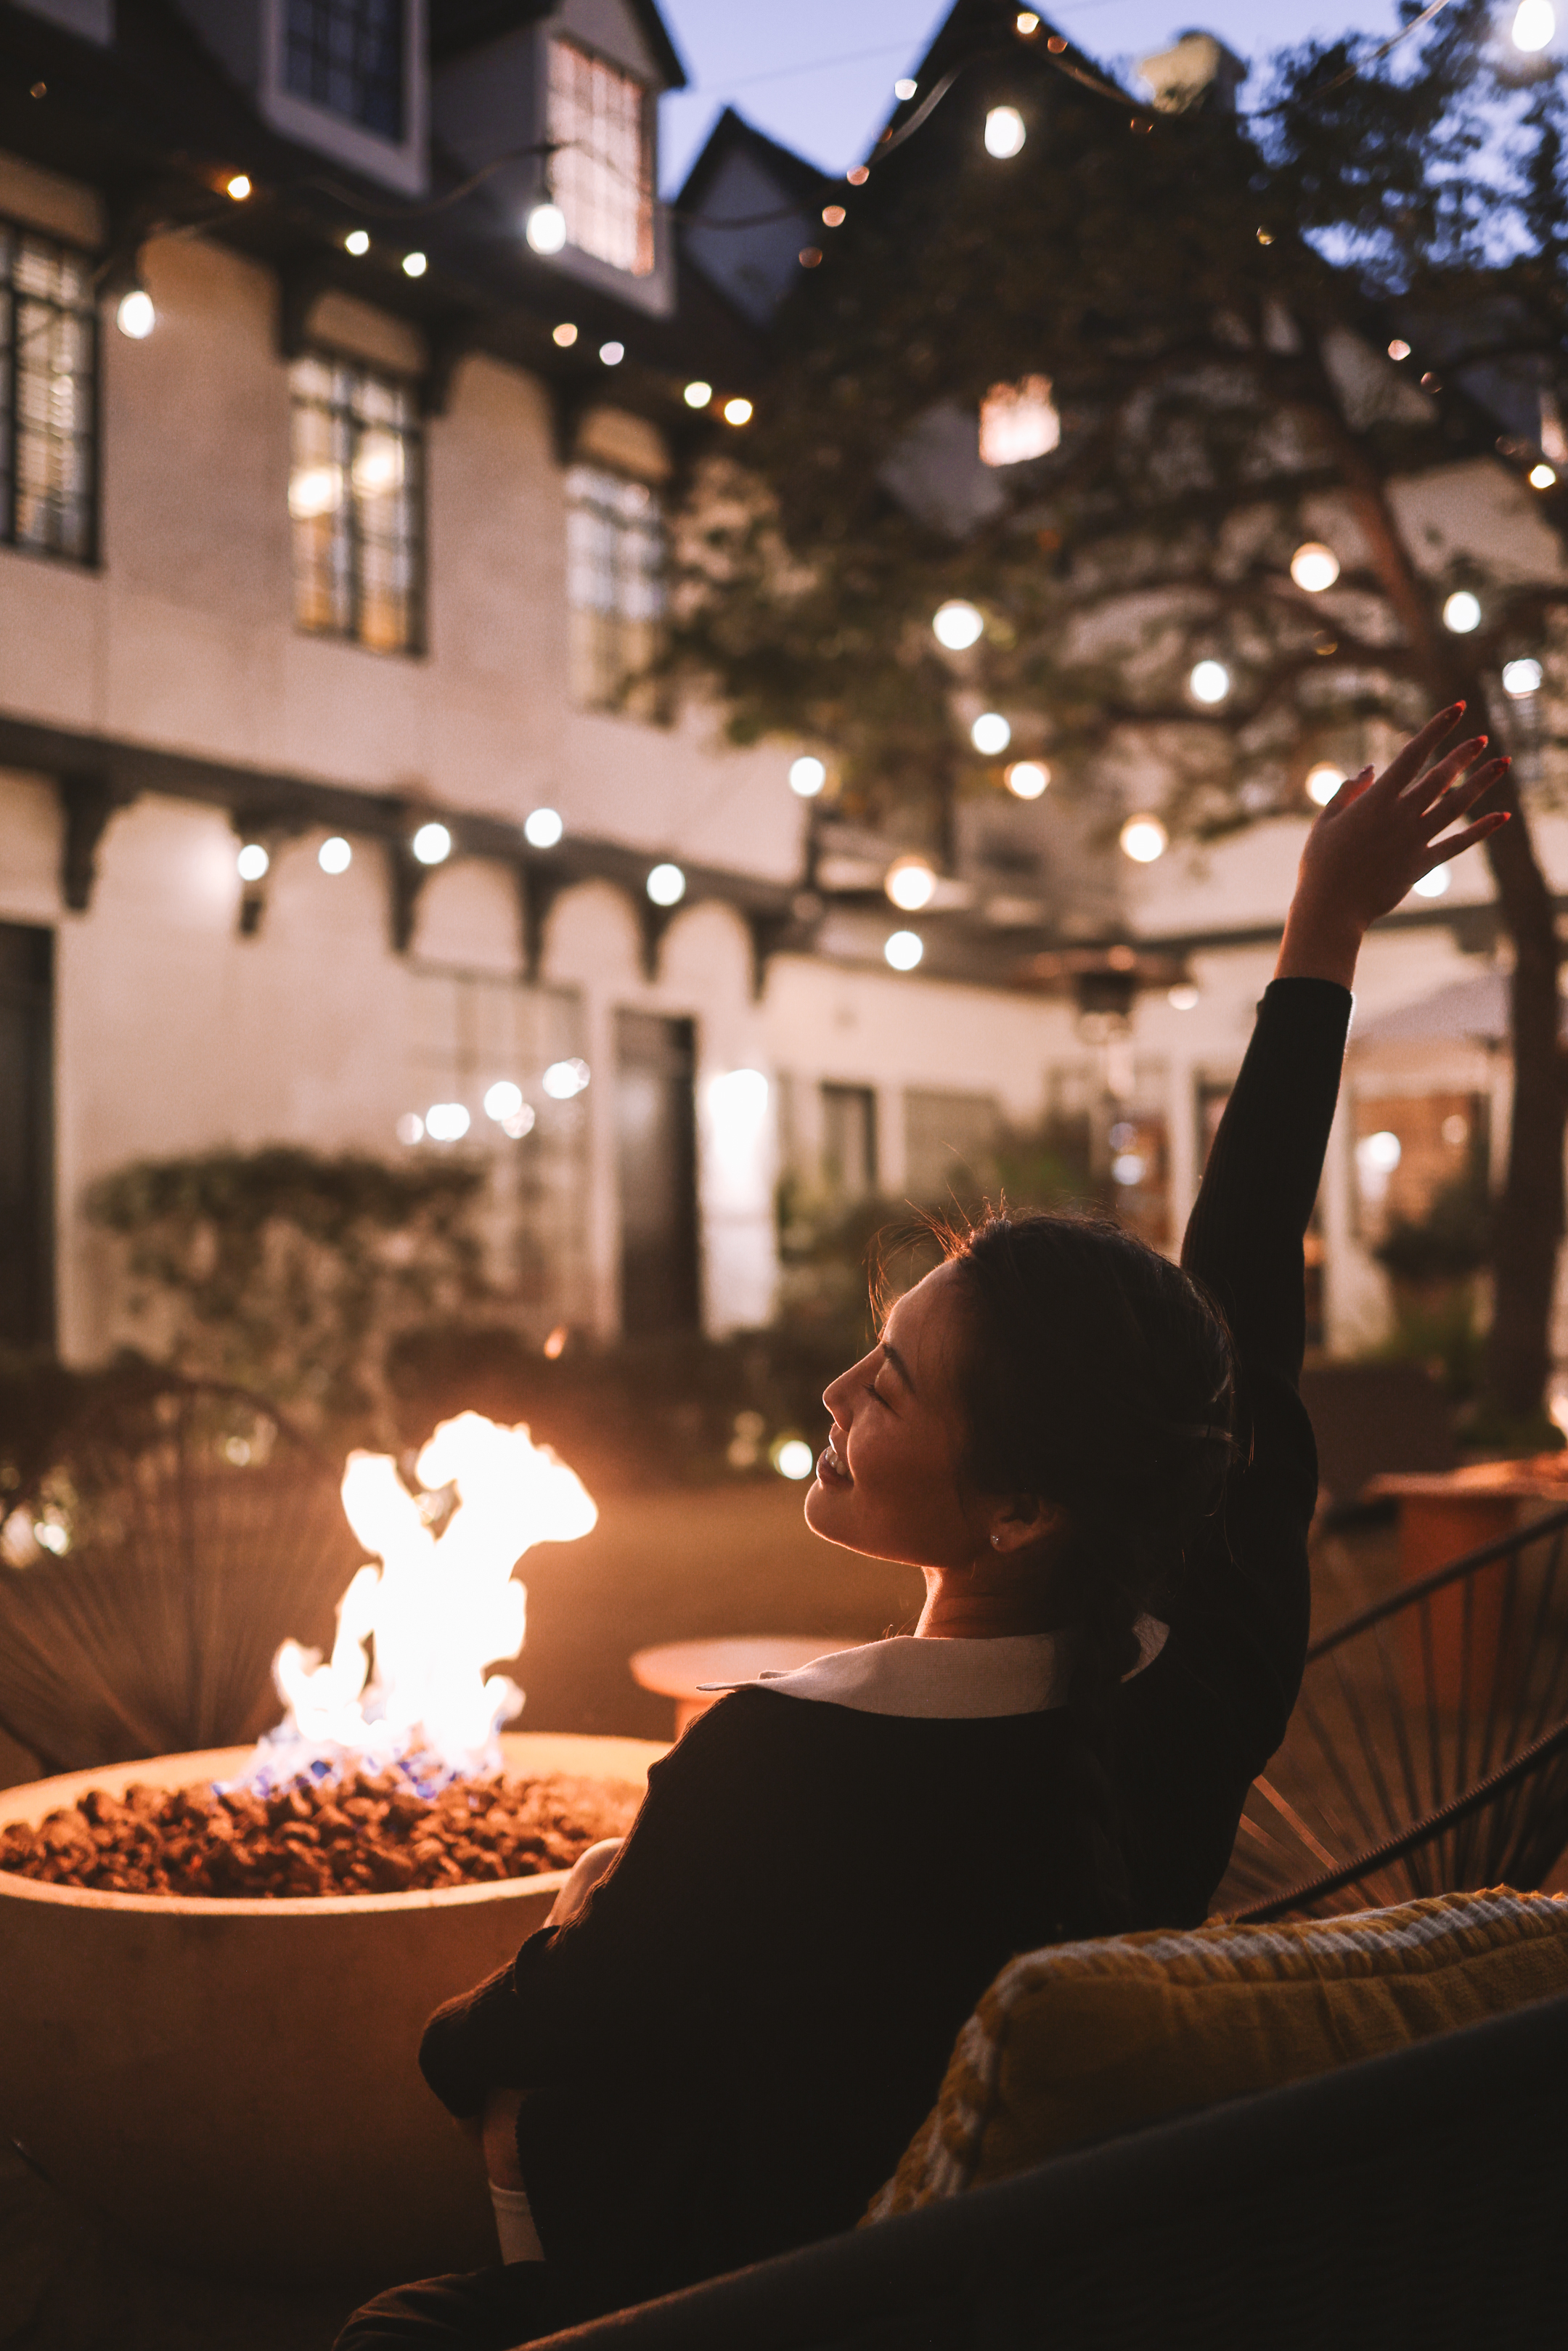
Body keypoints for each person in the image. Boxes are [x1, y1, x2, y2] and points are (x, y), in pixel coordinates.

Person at [338, 711, 1507, 2348]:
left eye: (886, 1387)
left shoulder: (770, 1765)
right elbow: (1241, 1301)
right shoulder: (1200, 1663)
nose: (832, 1385)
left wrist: (577, 1915)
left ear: (1022, 1504)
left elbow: (470, 2054)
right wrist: (1321, 940)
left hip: (765, 2289)